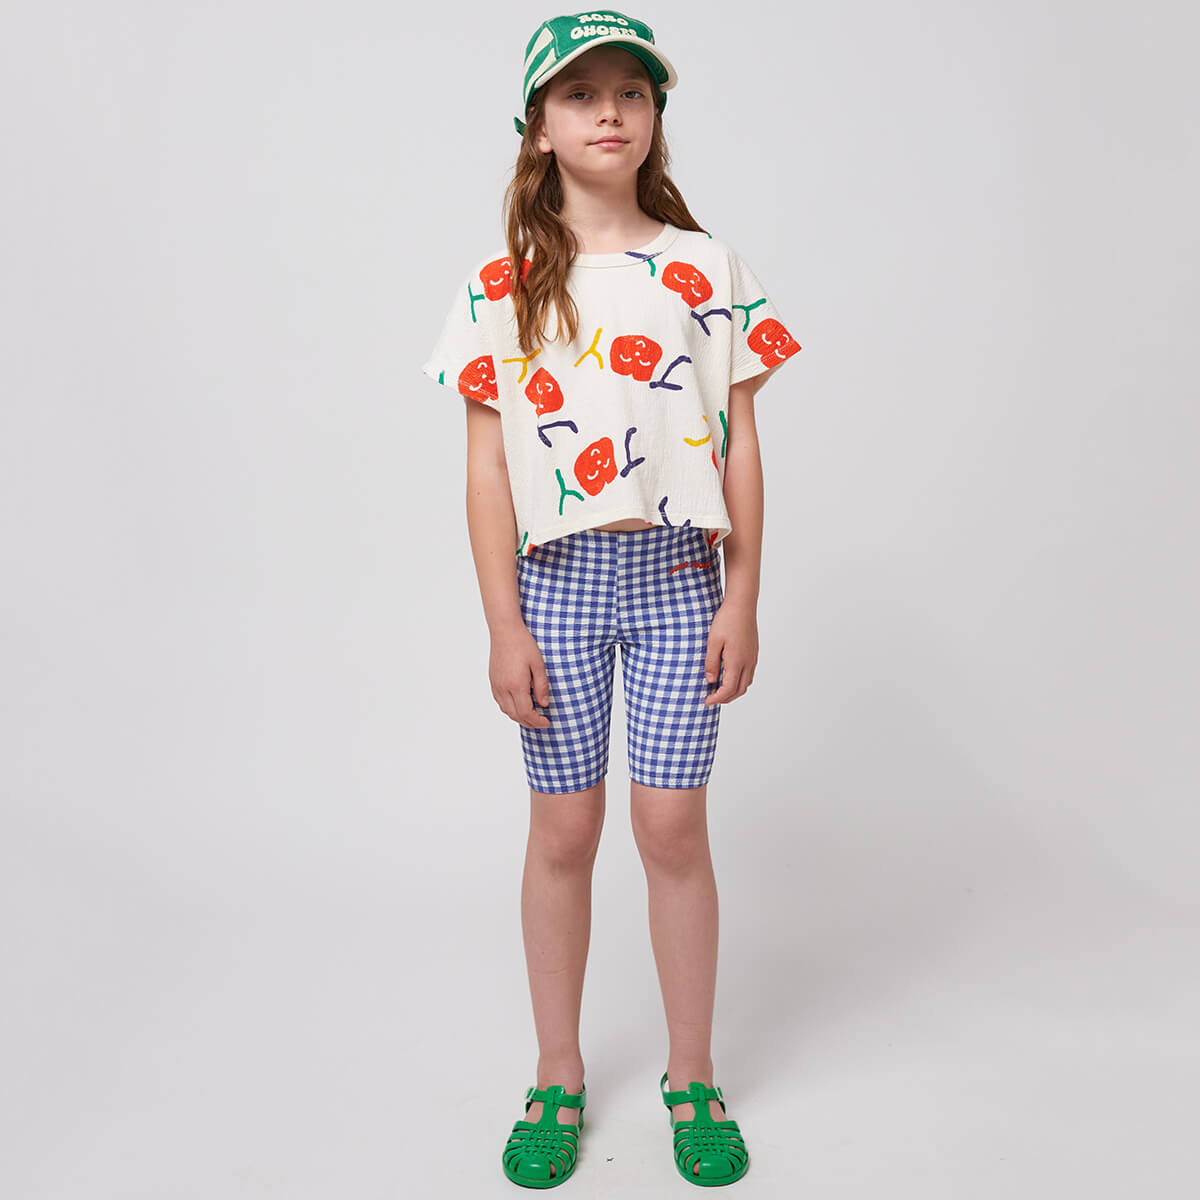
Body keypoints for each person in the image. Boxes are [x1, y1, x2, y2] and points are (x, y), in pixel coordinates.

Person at [420, 11, 801, 1188]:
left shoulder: (706, 269)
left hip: (682, 580)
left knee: (672, 828)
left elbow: (741, 442)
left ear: (654, 120)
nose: (609, 113)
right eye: (580, 95)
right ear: (537, 128)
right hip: (557, 588)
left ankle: (693, 1075)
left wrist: (744, 595)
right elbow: (487, 471)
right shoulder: (501, 285)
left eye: (631, 93)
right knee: (566, 831)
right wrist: (503, 623)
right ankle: (557, 1074)